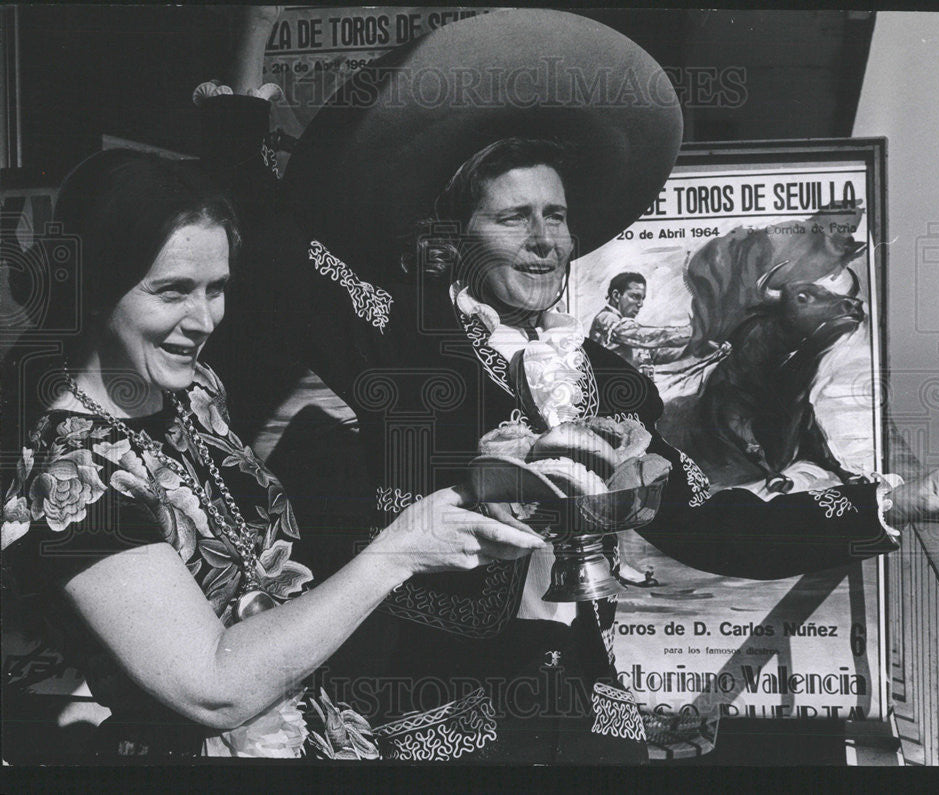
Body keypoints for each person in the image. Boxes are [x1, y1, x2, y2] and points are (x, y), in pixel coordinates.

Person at [196, 8, 939, 763]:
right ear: (455, 235)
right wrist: (248, 63)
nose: (546, 242)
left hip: (584, 716)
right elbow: (275, 247)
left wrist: (893, 503)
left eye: (557, 216)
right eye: (514, 219)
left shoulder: (616, 385)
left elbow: (712, 521)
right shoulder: (402, 343)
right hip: (433, 719)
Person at [0, 149, 545, 761]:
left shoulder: (194, 390)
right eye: (173, 291)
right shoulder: (70, 475)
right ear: (94, 286)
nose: (203, 319)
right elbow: (212, 688)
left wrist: (467, 493)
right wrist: (398, 553)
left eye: (218, 288)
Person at [588, 272, 691, 373]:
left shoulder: (628, 328)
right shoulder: (605, 318)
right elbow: (644, 337)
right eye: (635, 296)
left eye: (642, 298)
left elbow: (656, 354)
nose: (640, 304)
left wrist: (694, 346)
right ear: (616, 295)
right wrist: (691, 332)